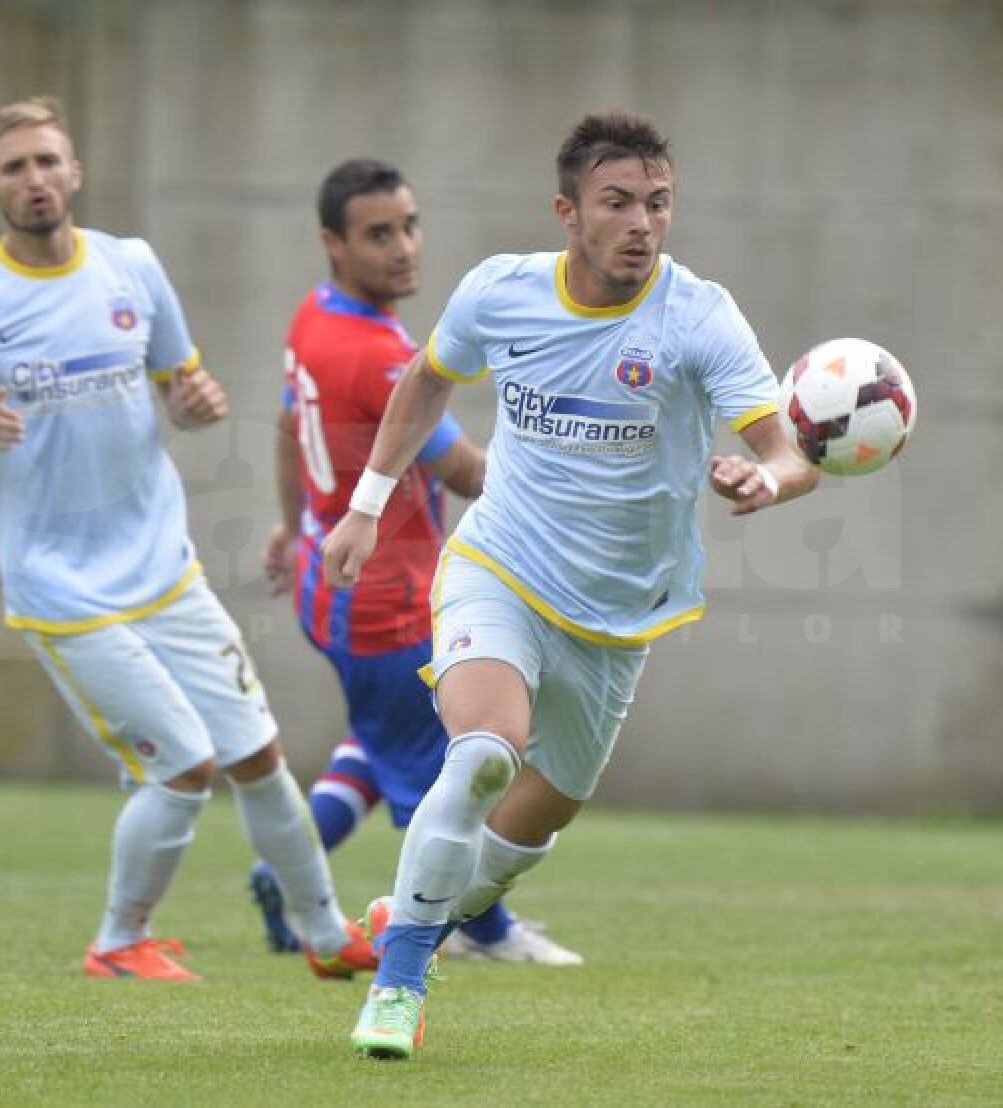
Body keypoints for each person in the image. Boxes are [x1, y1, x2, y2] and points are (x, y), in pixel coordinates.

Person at [323, 112, 819, 1058]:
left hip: (619, 615)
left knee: (524, 831)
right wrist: (367, 505)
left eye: (658, 203)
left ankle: (410, 919)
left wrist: (770, 479)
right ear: (568, 211)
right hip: (498, 566)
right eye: (618, 202)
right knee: (483, 754)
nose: (643, 223)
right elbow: (427, 380)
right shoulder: (499, 294)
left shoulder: (698, 315)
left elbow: (786, 448)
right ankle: (397, 989)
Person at [0, 96, 375, 983]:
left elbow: (182, 382)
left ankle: (327, 935)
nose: (34, 180)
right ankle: (117, 942)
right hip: (65, 591)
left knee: (258, 756)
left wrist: (195, 404)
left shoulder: (131, 267)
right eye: (14, 168)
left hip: (166, 571)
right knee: (183, 766)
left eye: (47, 162)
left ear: (74, 171)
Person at [251, 157, 583, 966]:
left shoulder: (313, 317)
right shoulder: (375, 355)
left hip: (325, 579)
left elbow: (285, 423)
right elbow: (467, 472)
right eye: (379, 234)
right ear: (333, 244)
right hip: (382, 601)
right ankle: (483, 929)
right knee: (454, 766)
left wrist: (293, 523)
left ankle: (280, 871)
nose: (404, 247)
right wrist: (572, 458)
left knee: (376, 741)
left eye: (410, 225)